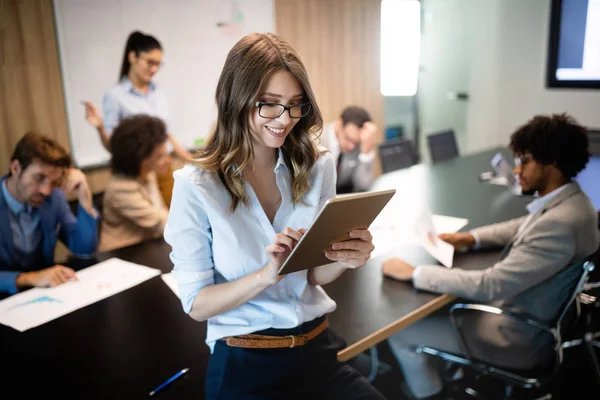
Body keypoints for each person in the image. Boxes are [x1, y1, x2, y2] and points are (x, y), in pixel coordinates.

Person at [164, 33, 386, 400]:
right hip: (245, 362)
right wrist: (266, 276)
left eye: (295, 105)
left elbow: (314, 273)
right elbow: (197, 305)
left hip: (317, 351)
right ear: (235, 99)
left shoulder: (317, 165)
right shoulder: (196, 186)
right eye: (269, 104)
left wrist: (348, 258)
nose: (285, 120)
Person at [381, 113, 600, 399]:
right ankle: (453, 370)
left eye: (525, 161)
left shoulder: (558, 225)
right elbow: (523, 225)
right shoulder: (577, 203)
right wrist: (470, 238)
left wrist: (414, 273)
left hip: (515, 336)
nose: (517, 170)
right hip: (542, 312)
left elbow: (489, 286)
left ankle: (432, 393)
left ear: (552, 164)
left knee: (400, 333)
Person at [83, 30, 192, 207]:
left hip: (164, 168)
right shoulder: (115, 96)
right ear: (133, 57)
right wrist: (100, 128)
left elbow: (166, 134)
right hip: (138, 174)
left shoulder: (158, 93)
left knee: (172, 221)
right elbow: (113, 146)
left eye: (158, 64)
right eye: (150, 62)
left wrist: (189, 158)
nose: (154, 69)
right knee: (153, 225)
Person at [0, 133, 99, 296]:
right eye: (39, 178)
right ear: (16, 168)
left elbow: (84, 249)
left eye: (53, 182)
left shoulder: (54, 197)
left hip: (46, 295)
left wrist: (84, 196)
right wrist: (28, 278)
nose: (46, 190)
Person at [99, 115, 170, 251]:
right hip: (122, 254)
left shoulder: (147, 172)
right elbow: (159, 222)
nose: (167, 160)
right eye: (159, 156)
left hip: (148, 248)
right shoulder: (120, 189)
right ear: (141, 159)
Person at [318, 106, 377, 193]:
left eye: (356, 143)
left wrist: (366, 153)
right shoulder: (315, 139)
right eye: (348, 138)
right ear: (339, 124)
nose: (351, 147)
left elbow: (363, 187)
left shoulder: (360, 144)